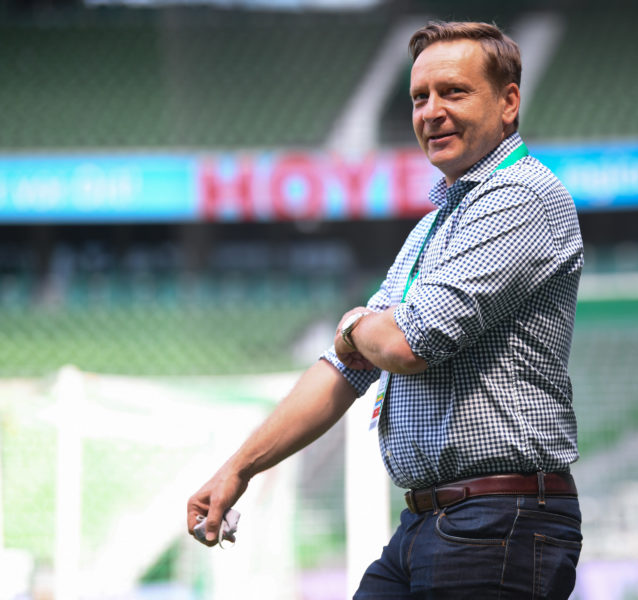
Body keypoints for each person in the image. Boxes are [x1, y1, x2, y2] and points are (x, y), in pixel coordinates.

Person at [187, 20, 584, 599]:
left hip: (499, 520)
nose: (431, 111)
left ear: (508, 102)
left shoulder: (521, 197)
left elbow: (402, 346)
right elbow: (346, 365)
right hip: (434, 522)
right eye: (420, 97)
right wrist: (238, 470)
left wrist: (354, 325)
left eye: (453, 91)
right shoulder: (434, 225)